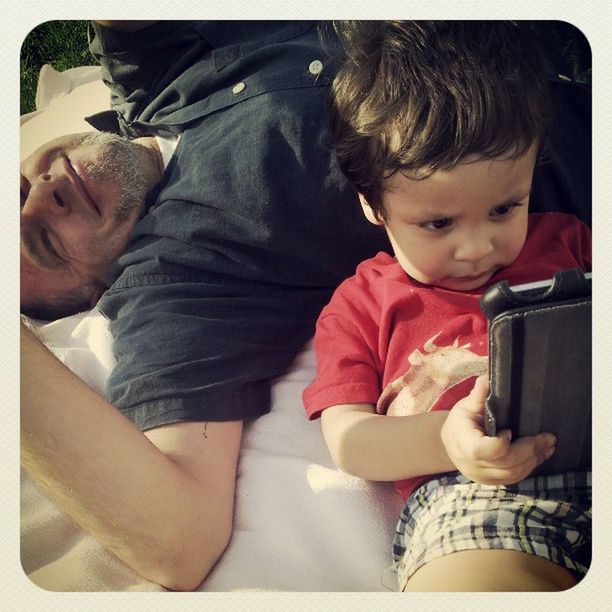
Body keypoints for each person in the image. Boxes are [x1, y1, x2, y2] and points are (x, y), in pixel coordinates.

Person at [20, 21, 590, 590]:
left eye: (16, 187)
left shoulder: (152, 69)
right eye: (42, 240)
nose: (45, 194)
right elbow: (179, 536)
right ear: (87, 295)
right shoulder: (180, 285)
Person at [302, 21, 591, 592]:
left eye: (506, 208)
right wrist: (449, 440)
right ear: (373, 206)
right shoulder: (359, 305)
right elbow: (352, 443)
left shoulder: (572, 242)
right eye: (438, 223)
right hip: (475, 496)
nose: (478, 246)